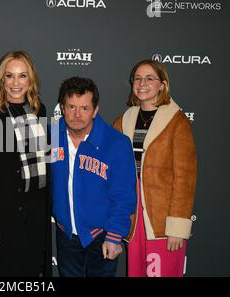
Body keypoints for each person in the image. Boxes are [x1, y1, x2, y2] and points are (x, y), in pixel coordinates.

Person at [113, 59, 197, 277]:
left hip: (162, 219)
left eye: (150, 78)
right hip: (134, 214)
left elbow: (185, 178)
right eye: (138, 78)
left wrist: (177, 227)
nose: (142, 83)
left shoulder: (177, 122)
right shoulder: (124, 120)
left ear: (162, 84)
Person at [0, 51, 52, 276]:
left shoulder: (40, 111)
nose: (16, 83)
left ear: (31, 80)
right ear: (1, 80)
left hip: (35, 213)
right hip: (2, 214)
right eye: (10, 76)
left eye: (22, 76)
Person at [51, 77, 136, 277]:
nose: (77, 115)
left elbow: (123, 195)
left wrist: (115, 235)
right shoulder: (51, 136)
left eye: (84, 108)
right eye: (71, 107)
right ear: (62, 108)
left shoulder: (117, 143)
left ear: (95, 110)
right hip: (66, 235)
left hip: (102, 235)